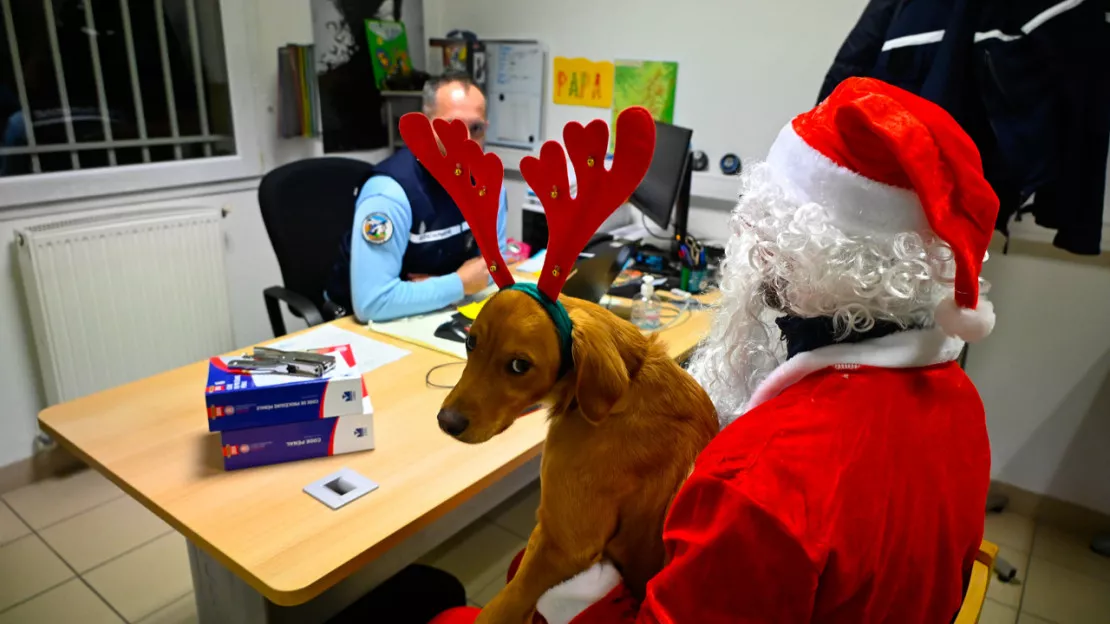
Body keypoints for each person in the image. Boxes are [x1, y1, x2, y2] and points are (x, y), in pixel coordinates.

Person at [431, 77, 998, 623]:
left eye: (755, 233)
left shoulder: (753, 484)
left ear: (785, 257)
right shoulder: (963, 403)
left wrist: (573, 596)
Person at [327, 72, 508, 322]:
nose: (465, 141)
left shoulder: (489, 184)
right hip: (361, 327)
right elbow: (373, 302)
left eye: (475, 129)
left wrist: (438, 287)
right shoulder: (389, 194)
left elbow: (492, 269)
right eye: (450, 127)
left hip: (440, 313)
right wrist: (458, 283)